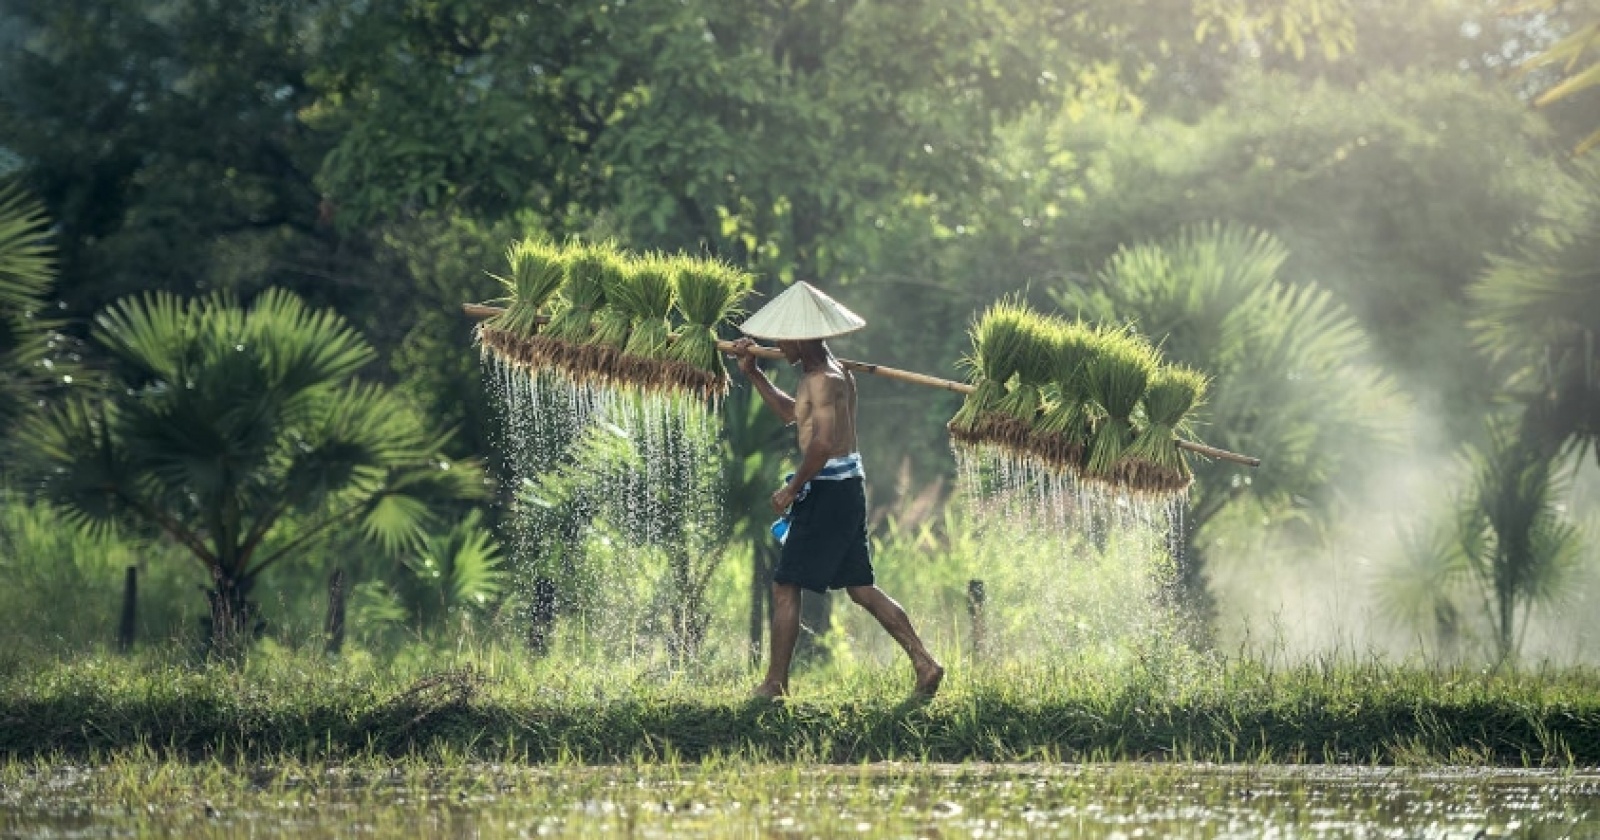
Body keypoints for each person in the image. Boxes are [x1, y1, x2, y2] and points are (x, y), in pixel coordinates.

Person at [727, 281, 944, 700]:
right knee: (860, 587)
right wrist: (753, 373)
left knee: (785, 584)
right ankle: (925, 662)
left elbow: (823, 445)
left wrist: (792, 488)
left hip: (829, 491)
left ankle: (775, 684)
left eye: (782, 337)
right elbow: (794, 414)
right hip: (846, 488)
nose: (777, 344)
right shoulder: (828, 374)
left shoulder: (825, 379)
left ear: (801, 337)